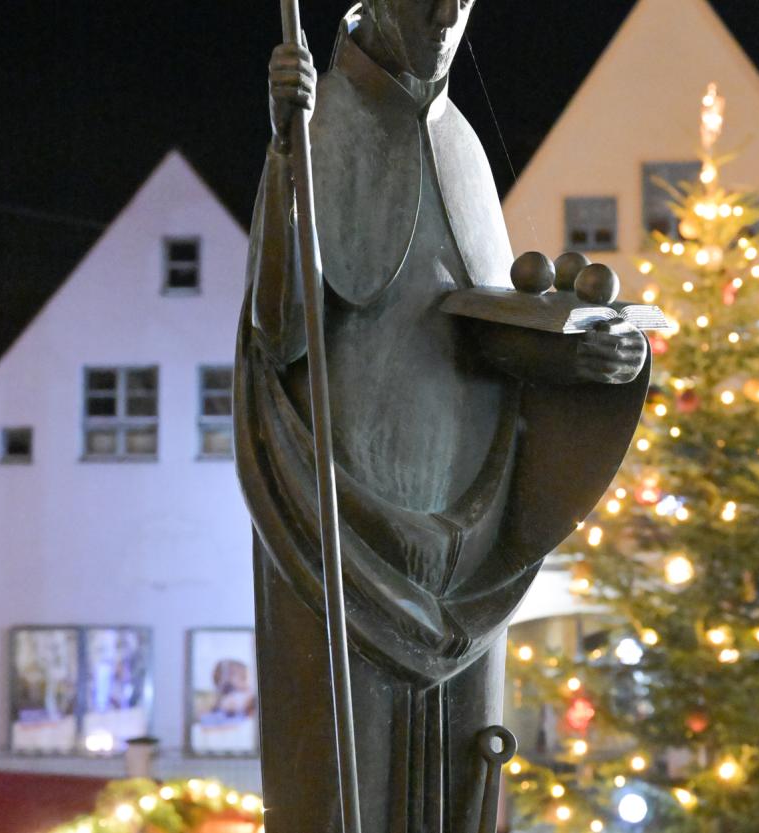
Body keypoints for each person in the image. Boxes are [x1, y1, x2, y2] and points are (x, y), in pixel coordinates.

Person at [234, 2, 649, 831]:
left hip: (466, 560)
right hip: (343, 542)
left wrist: (583, 362)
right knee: (341, 795)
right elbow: (276, 332)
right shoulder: (317, 128)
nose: (443, 14)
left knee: (459, 790)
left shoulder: (460, 141)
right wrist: (288, 160)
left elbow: (471, 333)